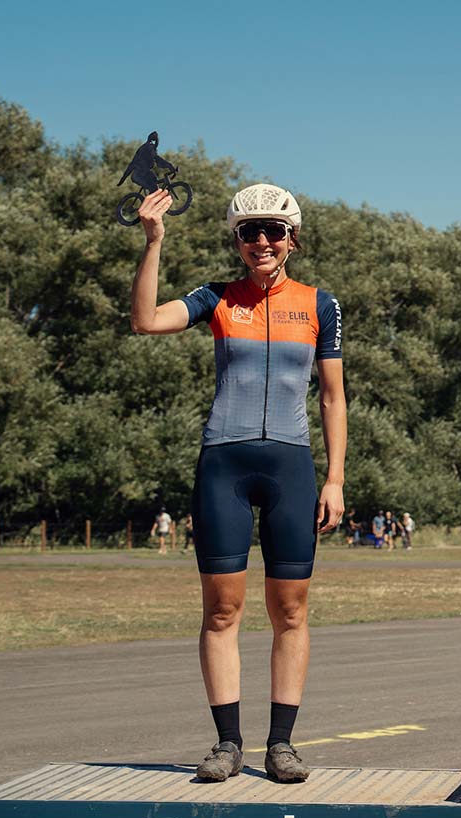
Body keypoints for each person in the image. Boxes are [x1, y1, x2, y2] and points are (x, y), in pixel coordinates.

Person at [129, 182, 345, 785]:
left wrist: (336, 479)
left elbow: (332, 396)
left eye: (274, 231)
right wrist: (154, 241)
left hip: (291, 469)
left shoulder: (320, 305)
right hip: (224, 465)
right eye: (250, 232)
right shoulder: (216, 298)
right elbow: (145, 321)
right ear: (238, 241)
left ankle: (282, 745)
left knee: (290, 609)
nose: (263, 242)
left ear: (292, 239)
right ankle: (228, 743)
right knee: (222, 610)